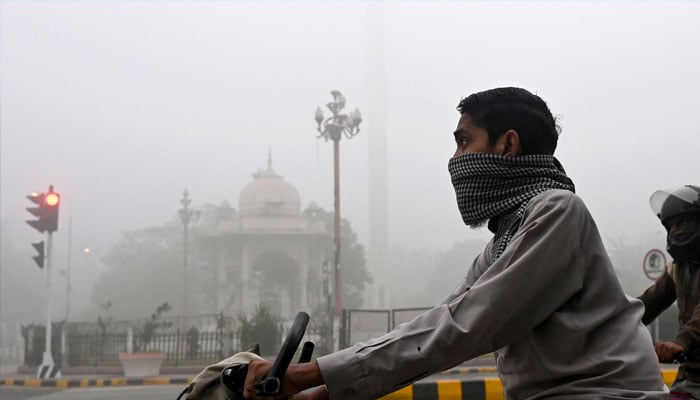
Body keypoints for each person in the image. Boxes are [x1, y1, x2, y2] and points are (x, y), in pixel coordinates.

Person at [243, 87, 668, 399]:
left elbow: (465, 326)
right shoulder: (504, 238)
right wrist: (322, 390)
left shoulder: (558, 211)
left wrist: (308, 374)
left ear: (508, 144)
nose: (455, 158)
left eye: (465, 141)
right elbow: (438, 323)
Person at [639, 185, 700, 399]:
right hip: (689, 375)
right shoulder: (678, 268)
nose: (677, 230)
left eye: (683, 222)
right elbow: (648, 302)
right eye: (672, 225)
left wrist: (681, 341)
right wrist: (611, 321)